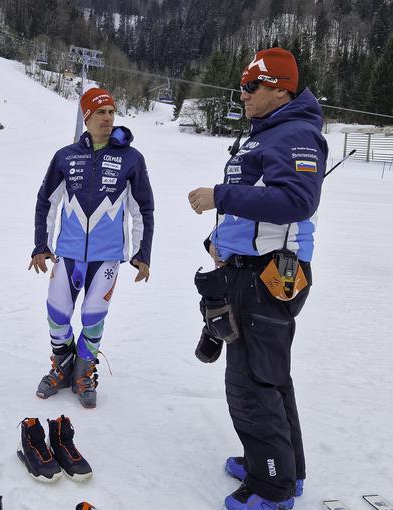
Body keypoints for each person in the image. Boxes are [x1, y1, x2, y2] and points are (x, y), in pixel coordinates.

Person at [188, 48, 328, 510]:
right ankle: (282, 467)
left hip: (270, 275)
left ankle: (271, 487)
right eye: (243, 85)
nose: (243, 93)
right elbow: (254, 203)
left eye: (252, 86)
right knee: (269, 375)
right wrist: (220, 241)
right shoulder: (269, 133)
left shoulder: (295, 133)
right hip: (251, 268)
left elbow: (296, 201)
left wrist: (218, 196)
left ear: (280, 88)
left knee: (251, 382)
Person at [29, 87, 154, 409]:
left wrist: (142, 254)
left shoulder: (131, 159)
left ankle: (84, 370)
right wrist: (40, 246)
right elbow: (47, 203)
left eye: (112, 112)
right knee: (57, 314)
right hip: (68, 253)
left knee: (93, 315)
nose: (108, 118)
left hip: (107, 256)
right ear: (86, 117)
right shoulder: (65, 157)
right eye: (101, 112)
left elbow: (143, 209)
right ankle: (63, 363)